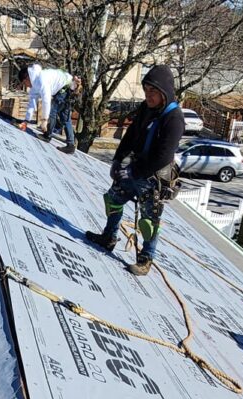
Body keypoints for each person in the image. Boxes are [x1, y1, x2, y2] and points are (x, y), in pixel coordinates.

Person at [84, 66, 184, 276]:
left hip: (153, 176)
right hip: (133, 168)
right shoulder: (145, 109)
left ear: (164, 92)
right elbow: (130, 135)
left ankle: (145, 259)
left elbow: (163, 156)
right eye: (146, 90)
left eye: (153, 92)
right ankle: (109, 237)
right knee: (113, 199)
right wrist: (118, 160)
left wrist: (134, 172)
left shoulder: (174, 119)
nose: (148, 95)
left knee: (149, 221)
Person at [18, 63, 78, 155]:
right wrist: (26, 120)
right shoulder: (35, 84)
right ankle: (70, 145)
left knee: (52, 113)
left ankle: (47, 135)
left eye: (24, 83)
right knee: (64, 118)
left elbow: (46, 101)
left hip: (65, 88)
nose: (25, 86)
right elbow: (32, 102)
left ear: (27, 78)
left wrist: (44, 121)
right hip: (67, 87)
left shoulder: (41, 79)